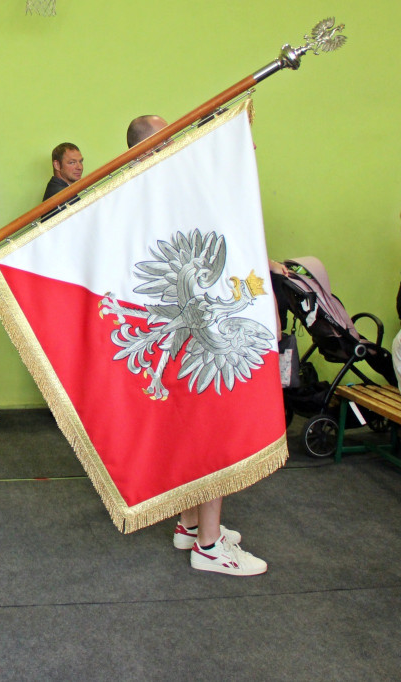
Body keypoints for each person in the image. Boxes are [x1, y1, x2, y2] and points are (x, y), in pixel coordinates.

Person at [127, 115, 266, 575]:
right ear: (147, 148)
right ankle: (209, 546)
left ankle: (189, 524)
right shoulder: (156, 193)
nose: (181, 141)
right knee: (211, 434)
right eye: (168, 135)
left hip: (189, 331)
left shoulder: (158, 190)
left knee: (194, 431)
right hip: (190, 339)